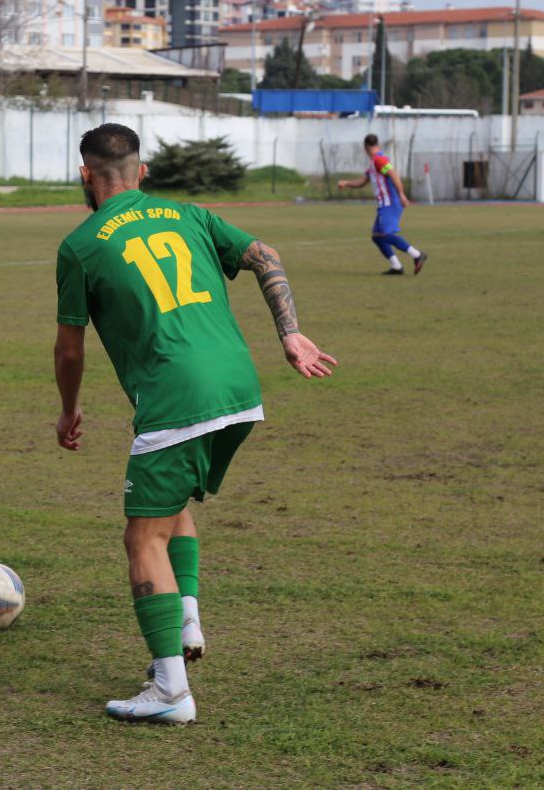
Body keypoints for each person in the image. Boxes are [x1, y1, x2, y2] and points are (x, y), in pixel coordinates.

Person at [54, 123, 337, 725]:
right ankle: (185, 619)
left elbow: (70, 351)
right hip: (238, 386)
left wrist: (69, 407)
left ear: (85, 174)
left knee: (141, 539)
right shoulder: (190, 213)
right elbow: (266, 256)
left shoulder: (80, 245)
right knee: (172, 501)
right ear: (143, 172)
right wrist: (289, 333)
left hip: (178, 396)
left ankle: (170, 692)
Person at [337, 135, 427, 275]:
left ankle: (417, 255)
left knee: (384, 234)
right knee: (377, 236)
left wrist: (402, 194)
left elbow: (393, 174)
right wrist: (347, 183)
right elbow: (363, 181)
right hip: (384, 204)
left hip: (390, 203)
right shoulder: (374, 162)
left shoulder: (379, 160)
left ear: (365, 147)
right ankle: (396, 266)